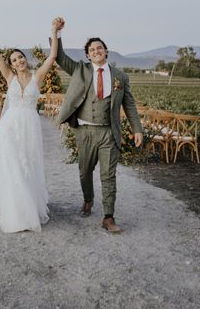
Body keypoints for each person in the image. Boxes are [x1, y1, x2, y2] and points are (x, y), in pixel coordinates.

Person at [0, 20, 59, 233]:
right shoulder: (9, 77)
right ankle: (15, 212)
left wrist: (53, 32)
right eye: (14, 60)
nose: (18, 61)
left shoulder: (38, 77)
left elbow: (52, 56)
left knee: (27, 165)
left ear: (26, 59)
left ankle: (28, 207)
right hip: (9, 127)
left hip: (30, 128)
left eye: (20, 57)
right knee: (12, 166)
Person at [53, 17, 143, 233]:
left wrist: (137, 129)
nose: (96, 51)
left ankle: (108, 217)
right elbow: (59, 57)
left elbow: (129, 104)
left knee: (108, 175)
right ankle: (88, 199)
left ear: (106, 51)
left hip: (108, 133)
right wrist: (56, 32)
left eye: (99, 48)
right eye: (92, 49)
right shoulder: (79, 70)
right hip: (84, 131)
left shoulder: (120, 76)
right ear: (87, 55)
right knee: (84, 172)